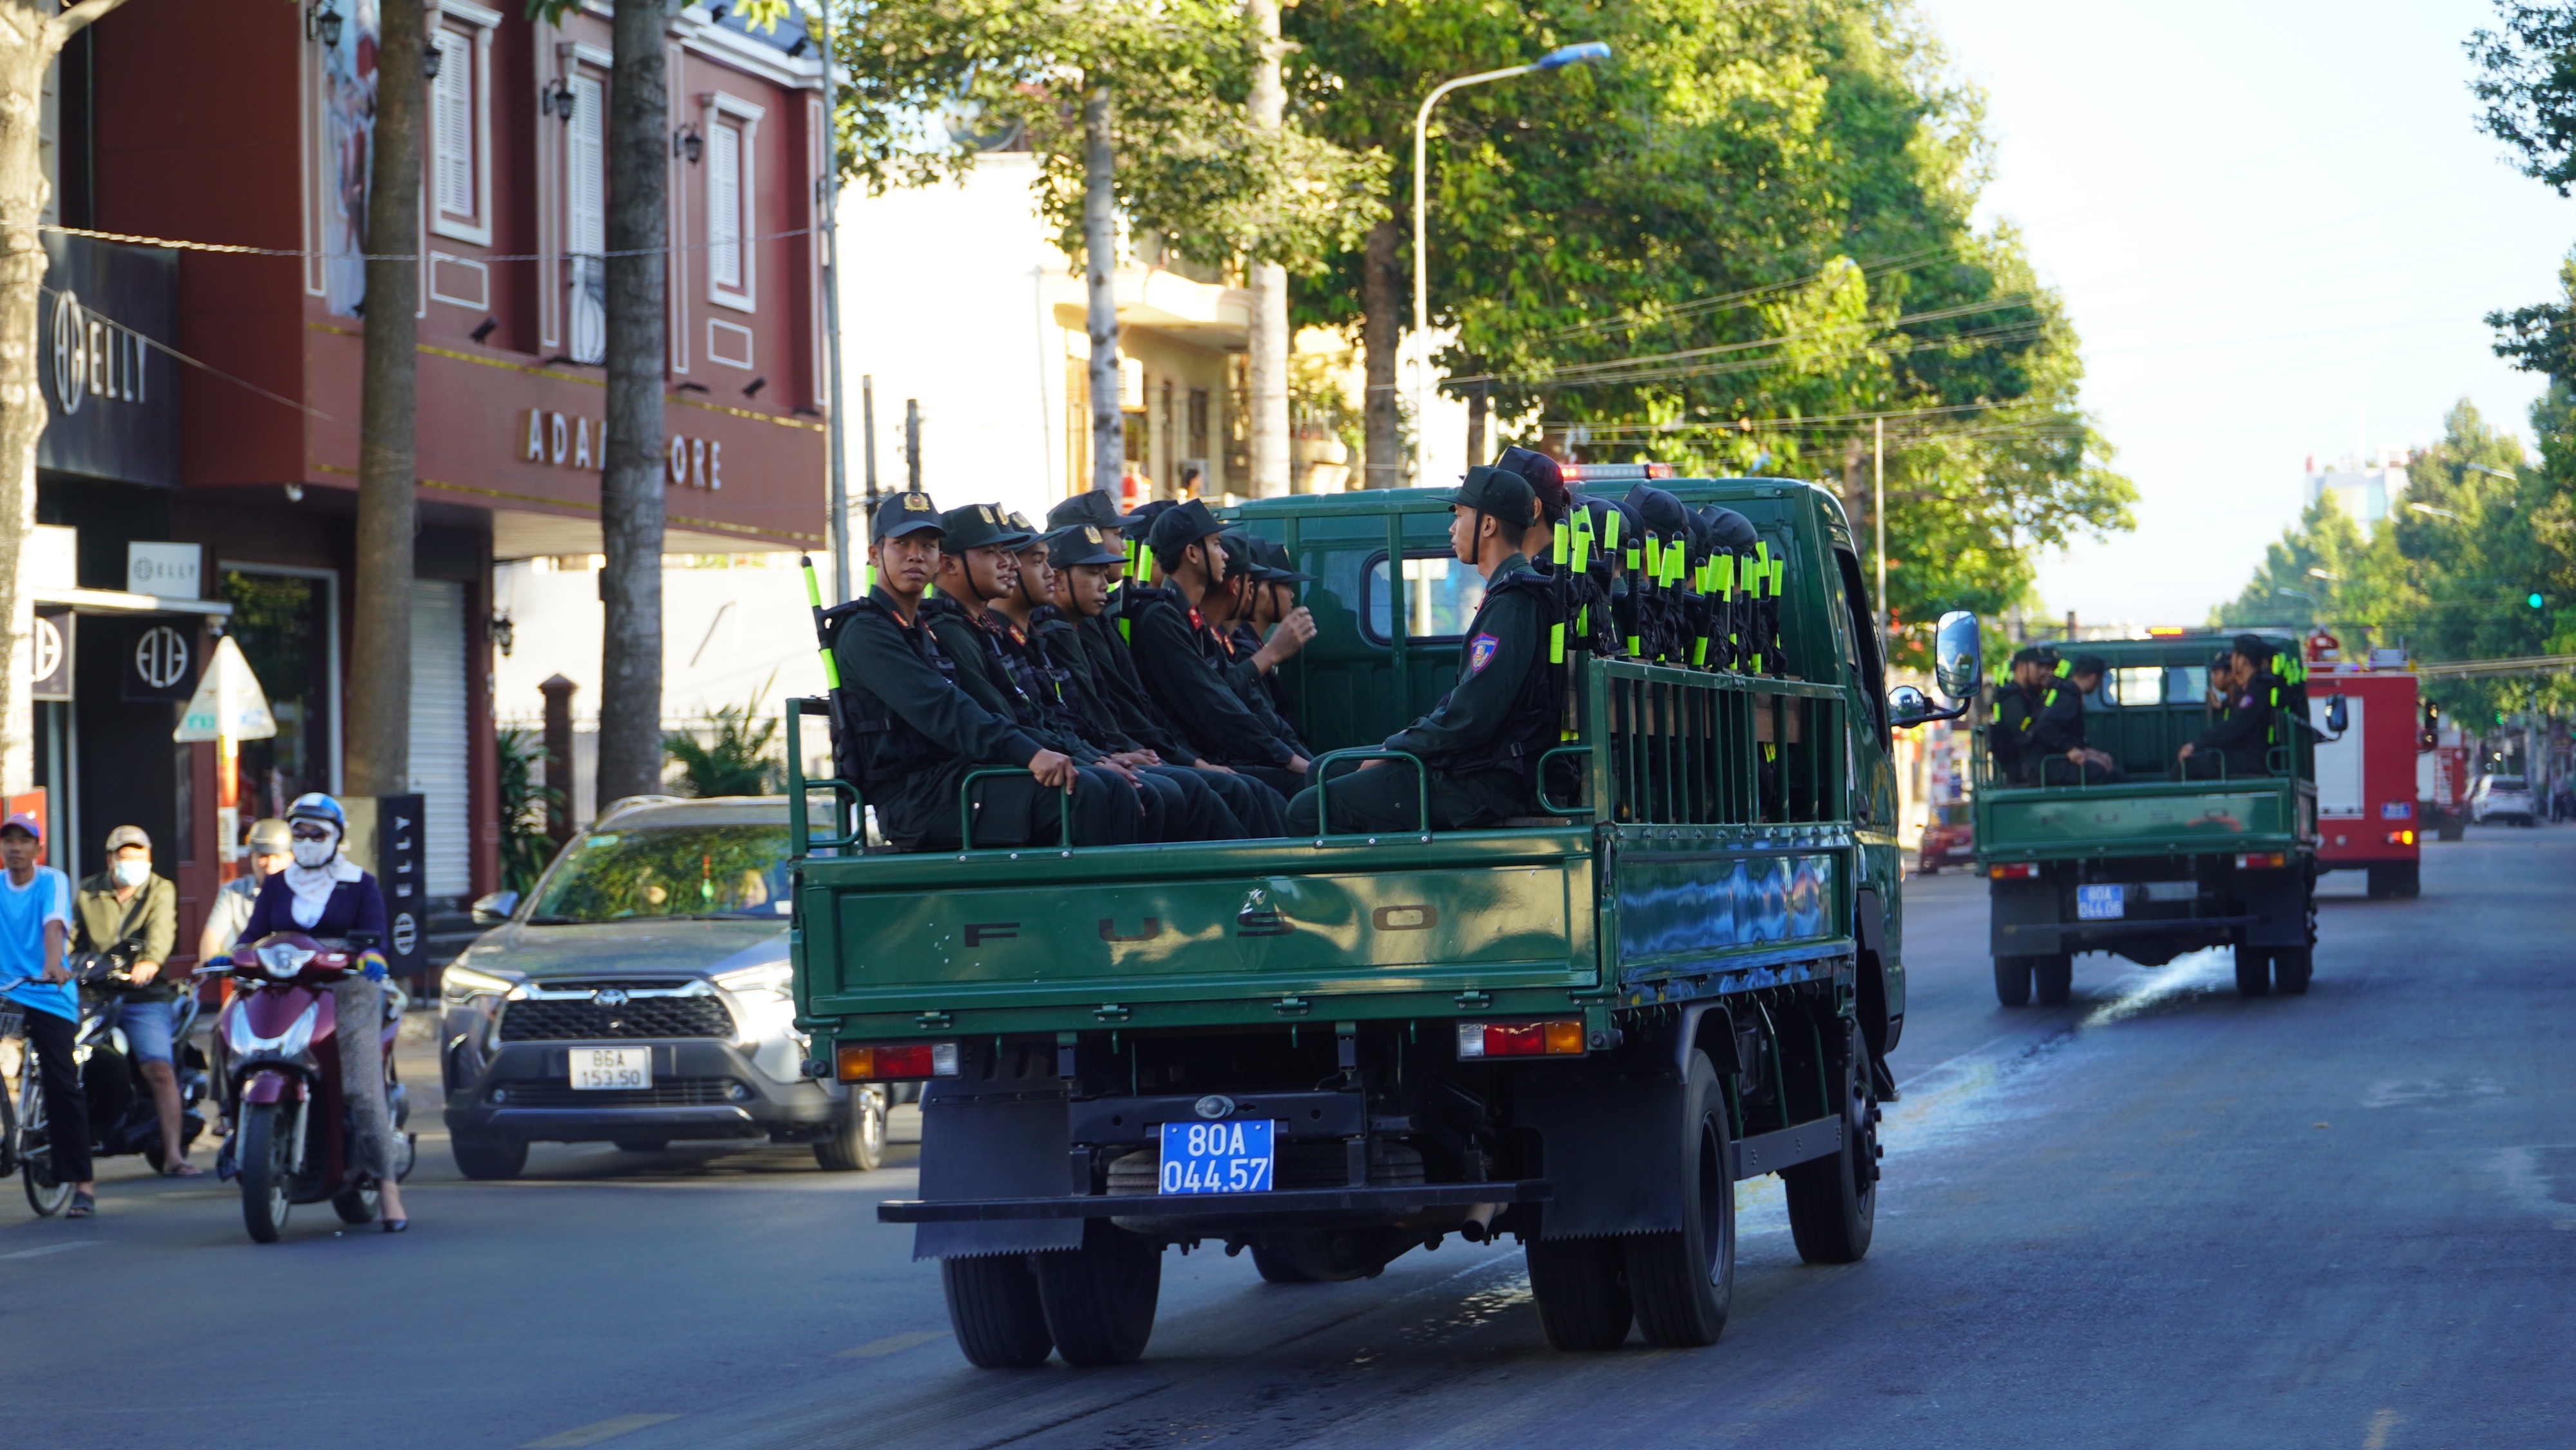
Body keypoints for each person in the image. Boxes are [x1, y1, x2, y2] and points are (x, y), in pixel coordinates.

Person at [827, 491, 1137, 850]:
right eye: (901, 544)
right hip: (917, 799)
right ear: (874, 554)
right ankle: (1094, 904)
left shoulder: (921, 628)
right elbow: (943, 709)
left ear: (938, 558)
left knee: (1108, 787)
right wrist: (1031, 754)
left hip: (957, 778)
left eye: (927, 546)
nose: (915, 554)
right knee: (1086, 792)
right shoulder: (867, 631)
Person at [923, 502, 1237, 843]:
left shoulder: (992, 630)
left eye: (1010, 553)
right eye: (992, 552)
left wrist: (1100, 756)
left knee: (1190, 788)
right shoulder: (952, 630)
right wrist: (1096, 760)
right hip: (979, 782)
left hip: (1043, 760)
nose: (1008, 564)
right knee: (1140, 791)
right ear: (949, 563)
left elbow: (1053, 713)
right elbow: (1007, 720)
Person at [1286, 468, 1559, 834]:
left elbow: (1471, 716)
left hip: (1483, 782)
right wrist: (1400, 745)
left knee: (1307, 810)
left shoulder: (1512, 603)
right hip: (1478, 767)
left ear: (1489, 525)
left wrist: (1399, 749)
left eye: (1459, 515)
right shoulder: (1507, 593)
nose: (1452, 528)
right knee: (1326, 768)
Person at [1034, 520, 1288, 836]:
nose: (1103, 584)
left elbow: (1135, 709)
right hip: (1092, 760)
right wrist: (1108, 757)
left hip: (1125, 752)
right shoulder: (1064, 632)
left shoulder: (1090, 627)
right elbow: (1059, 719)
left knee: (1246, 791)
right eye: (1091, 573)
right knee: (1207, 791)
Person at [236, 794, 408, 1230]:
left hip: (348, 987)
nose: (308, 840)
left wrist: (372, 956)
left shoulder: (360, 883)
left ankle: (388, 1187)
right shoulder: (277, 882)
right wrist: (232, 953)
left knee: (362, 1088)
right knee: (240, 1039)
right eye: (300, 832)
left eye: (318, 833)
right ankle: (231, 1119)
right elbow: (254, 933)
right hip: (284, 985)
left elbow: (375, 938)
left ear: (337, 837)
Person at [1126, 500, 1312, 799]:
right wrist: (1286, 758)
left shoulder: (1189, 618)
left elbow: (1238, 695)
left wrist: (1298, 756)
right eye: (1215, 544)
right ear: (1191, 553)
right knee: (1277, 794)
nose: (1224, 554)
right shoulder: (1160, 618)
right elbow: (1210, 701)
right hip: (1192, 758)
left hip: (1212, 756)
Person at [74, 825, 191, 1175]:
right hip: (95, 994)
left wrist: (150, 962)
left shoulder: (161, 889)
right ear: (111, 861)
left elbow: (162, 934)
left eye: (139, 857)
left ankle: (174, 1154)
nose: (132, 864)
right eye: (125, 857)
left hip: (144, 996)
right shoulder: (86, 892)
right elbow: (69, 937)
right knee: (65, 1060)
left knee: (158, 1069)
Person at [0, 814, 90, 1216]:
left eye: (24, 840)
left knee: (61, 1083)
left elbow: (53, 927)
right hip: (6, 992)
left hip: (48, 992)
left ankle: (82, 1183)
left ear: (37, 848)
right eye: (8, 841)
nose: (15, 847)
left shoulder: (51, 881)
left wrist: (54, 964)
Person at [2180, 634, 2280, 779]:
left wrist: (2196, 745)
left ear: (2242, 660)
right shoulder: (2252, 688)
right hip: (2248, 755)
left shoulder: (2258, 689)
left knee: (2187, 767)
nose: (2232, 660)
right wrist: (2221, 705)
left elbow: (2235, 726)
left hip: (2253, 759)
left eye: (2234, 655)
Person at [199, 817, 293, 966]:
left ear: (292, 857)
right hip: (250, 977)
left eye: (278, 856)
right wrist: (211, 965)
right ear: (251, 856)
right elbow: (213, 936)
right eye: (263, 856)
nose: (270, 864)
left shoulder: (303, 890)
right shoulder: (233, 891)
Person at [2027, 653, 2124, 785]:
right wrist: (2070, 749)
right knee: (2100, 773)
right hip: (2048, 763)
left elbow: (2070, 735)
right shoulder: (2068, 699)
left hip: (2052, 758)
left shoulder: (2067, 693)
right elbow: (2045, 726)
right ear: (2093, 678)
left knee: (2114, 772)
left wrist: (2093, 753)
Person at [1987, 647, 2047, 785]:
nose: (2043, 672)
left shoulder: (2031, 695)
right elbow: (2025, 733)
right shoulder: (2012, 698)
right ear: (2021, 667)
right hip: (2019, 769)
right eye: (2038, 666)